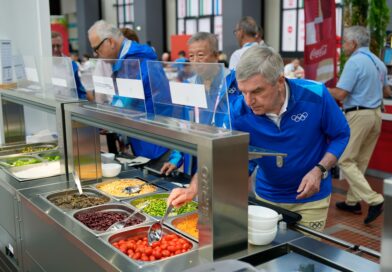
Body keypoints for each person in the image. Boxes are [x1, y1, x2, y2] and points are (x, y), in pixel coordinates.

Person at [168, 46, 350, 231]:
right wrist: (193, 188)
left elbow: (341, 135)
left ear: (279, 81)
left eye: (256, 91)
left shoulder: (316, 95)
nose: (249, 101)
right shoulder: (238, 111)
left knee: (306, 256)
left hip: (312, 199)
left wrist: (319, 169)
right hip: (267, 196)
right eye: (243, 92)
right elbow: (220, 155)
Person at [88, 20, 181, 168]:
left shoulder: (133, 61)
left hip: (155, 141)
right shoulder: (129, 59)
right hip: (147, 136)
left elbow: (124, 101)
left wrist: (105, 118)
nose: (97, 54)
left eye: (97, 49)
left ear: (110, 42)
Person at [328, 26, 392, 224]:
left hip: (358, 115)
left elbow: (340, 94)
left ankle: (375, 200)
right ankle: (352, 201)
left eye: (344, 42)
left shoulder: (355, 62)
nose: (343, 46)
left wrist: (317, 87)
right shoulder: (379, 62)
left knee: (345, 159)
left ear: (353, 43)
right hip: (375, 116)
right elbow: (387, 92)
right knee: (360, 161)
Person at [160, 32, 241, 176]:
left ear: (216, 56)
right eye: (191, 56)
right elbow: (183, 126)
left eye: (201, 55)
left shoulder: (234, 82)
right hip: (196, 157)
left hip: (226, 156)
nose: (196, 61)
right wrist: (175, 158)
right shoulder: (189, 85)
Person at [51, 32, 87, 100]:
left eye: (58, 46)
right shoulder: (44, 65)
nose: (55, 49)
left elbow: (80, 90)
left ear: (62, 46)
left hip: (69, 106)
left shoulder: (71, 65)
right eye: (52, 46)